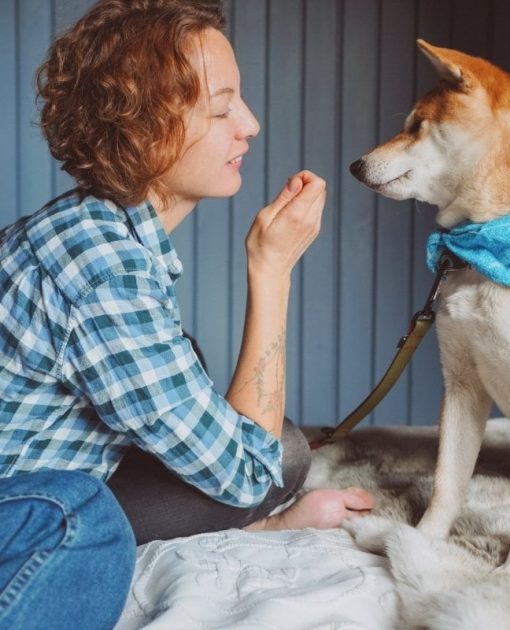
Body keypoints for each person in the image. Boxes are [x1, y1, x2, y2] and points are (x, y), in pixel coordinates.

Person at [0, 1, 374, 624]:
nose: (250, 125)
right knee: (85, 510)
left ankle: (249, 530)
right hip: (24, 509)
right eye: (222, 108)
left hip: (45, 478)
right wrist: (272, 270)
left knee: (272, 438)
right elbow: (247, 472)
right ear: (146, 129)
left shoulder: (102, 231)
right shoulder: (103, 266)